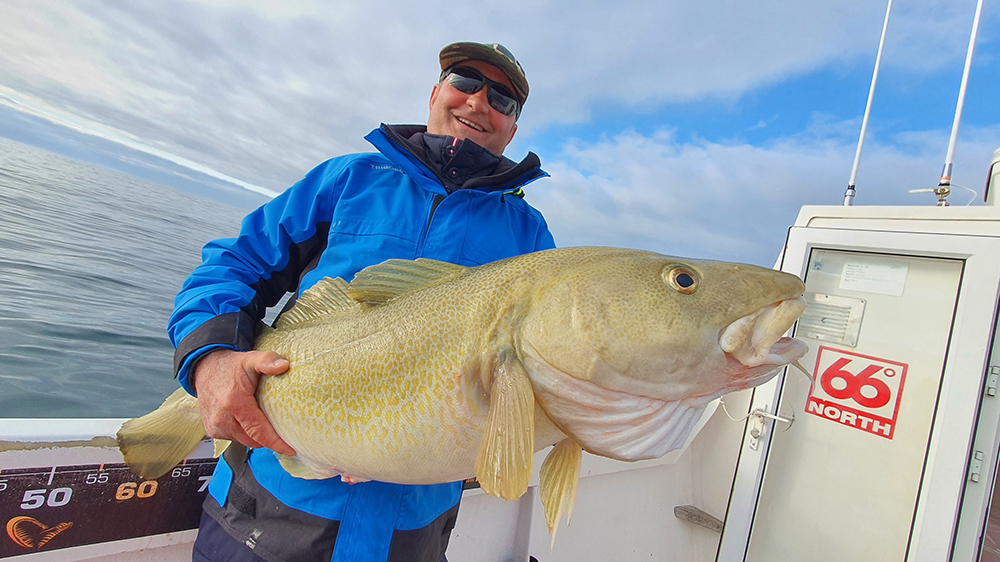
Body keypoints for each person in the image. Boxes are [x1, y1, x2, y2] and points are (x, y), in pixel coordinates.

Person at [168, 42, 555, 562]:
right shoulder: (347, 180)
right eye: (465, 81)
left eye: (502, 99)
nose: (479, 101)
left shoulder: (531, 238)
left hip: (411, 536)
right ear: (436, 93)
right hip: (261, 516)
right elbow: (234, 264)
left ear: (513, 128)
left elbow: (535, 375)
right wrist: (212, 360)